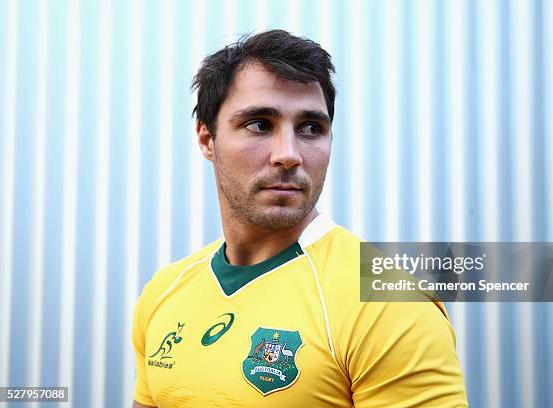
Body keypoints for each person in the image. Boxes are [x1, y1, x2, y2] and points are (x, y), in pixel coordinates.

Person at [132, 29, 468, 407]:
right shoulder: (164, 292)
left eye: (311, 128)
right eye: (260, 124)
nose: (289, 154)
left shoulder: (388, 304)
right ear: (207, 139)